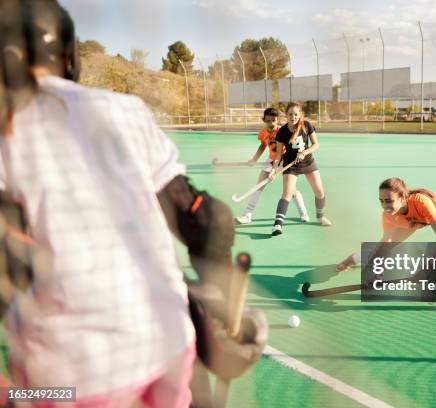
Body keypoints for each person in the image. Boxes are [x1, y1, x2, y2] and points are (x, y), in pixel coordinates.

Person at [0, 1, 265, 406]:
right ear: (69, 57)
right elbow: (207, 220)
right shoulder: (123, 111)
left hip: (65, 385)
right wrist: (215, 313)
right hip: (171, 352)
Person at [336, 177, 436, 271]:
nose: (384, 205)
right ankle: (353, 259)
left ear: (402, 198)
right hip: (412, 222)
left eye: (389, 200)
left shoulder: (421, 201)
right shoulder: (389, 215)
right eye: (381, 201)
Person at [235, 107, 309, 225]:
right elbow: (263, 146)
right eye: (268, 121)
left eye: (273, 120)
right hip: (271, 160)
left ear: (278, 120)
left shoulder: (283, 130)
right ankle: (247, 215)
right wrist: (254, 159)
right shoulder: (263, 132)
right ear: (264, 120)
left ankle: (303, 211)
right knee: (259, 184)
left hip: (285, 160)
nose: (271, 123)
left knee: (291, 190)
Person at [269, 103, 331, 236]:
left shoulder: (307, 125)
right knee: (287, 194)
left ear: (300, 115)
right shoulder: (282, 132)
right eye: (290, 114)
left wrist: (304, 153)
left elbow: (316, 145)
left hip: (308, 162)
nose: (293, 116)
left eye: (296, 114)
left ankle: (320, 217)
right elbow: (278, 155)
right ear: (286, 115)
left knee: (320, 191)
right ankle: (277, 225)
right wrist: (273, 170)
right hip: (291, 166)